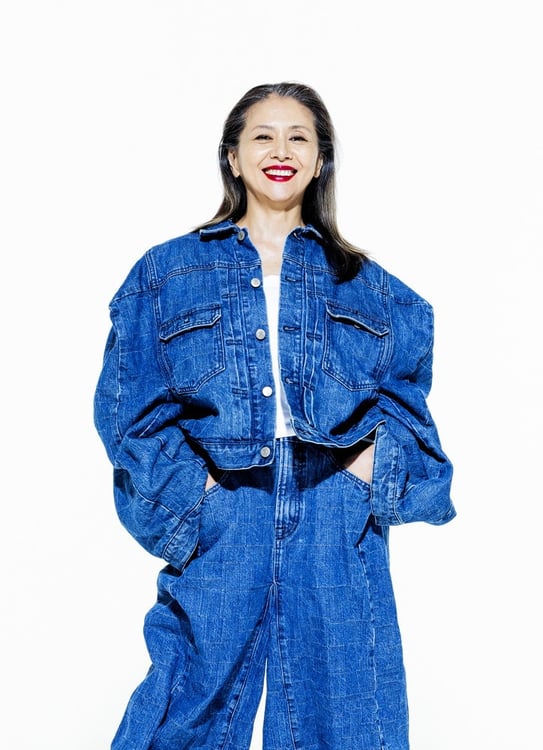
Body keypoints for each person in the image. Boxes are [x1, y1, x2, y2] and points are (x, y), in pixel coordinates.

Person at [94, 81, 455, 750]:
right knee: (184, 705)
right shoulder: (167, 273)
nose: (280, 150)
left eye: (299, 138)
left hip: (332, 506)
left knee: (348, 711)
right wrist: (193, 499)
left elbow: (408, 412)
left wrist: (364, 472)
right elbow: (129, 409)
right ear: (232, 157)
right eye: (262, 136)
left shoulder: (371, 288)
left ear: (320, 161)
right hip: (225, 502)